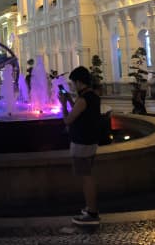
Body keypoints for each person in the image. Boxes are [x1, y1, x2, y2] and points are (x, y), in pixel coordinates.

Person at [59, 66, 101, 226]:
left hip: (82, 143)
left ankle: (92, 213)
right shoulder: (92, 96)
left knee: (86, 178)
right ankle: (90, 208)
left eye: (73, 83)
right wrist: (70, 100)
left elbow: (67, 120)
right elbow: (81, 112)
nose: (73, 86)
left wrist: (63, 104)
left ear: (78, 81)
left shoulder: (83, 99)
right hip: (90, 141)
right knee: (87, 176)